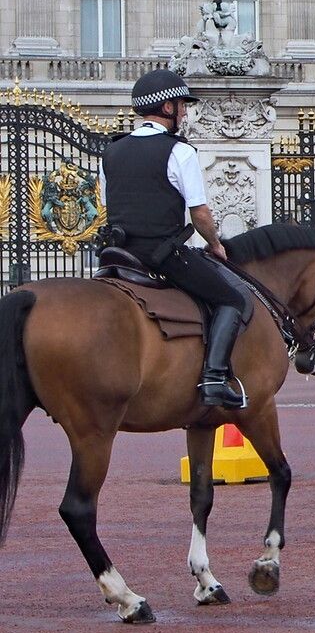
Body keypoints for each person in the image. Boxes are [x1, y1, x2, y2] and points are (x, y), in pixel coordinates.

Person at [97, 69, 249, 410]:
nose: (185, 112)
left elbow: (108, 206)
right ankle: (213, 379)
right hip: (161, 254)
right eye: (182, 105)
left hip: (116, 254)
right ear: (167, 108)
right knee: (232, 300)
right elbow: (200, 214)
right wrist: (215, 243)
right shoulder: (180, 152)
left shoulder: (112, 152)